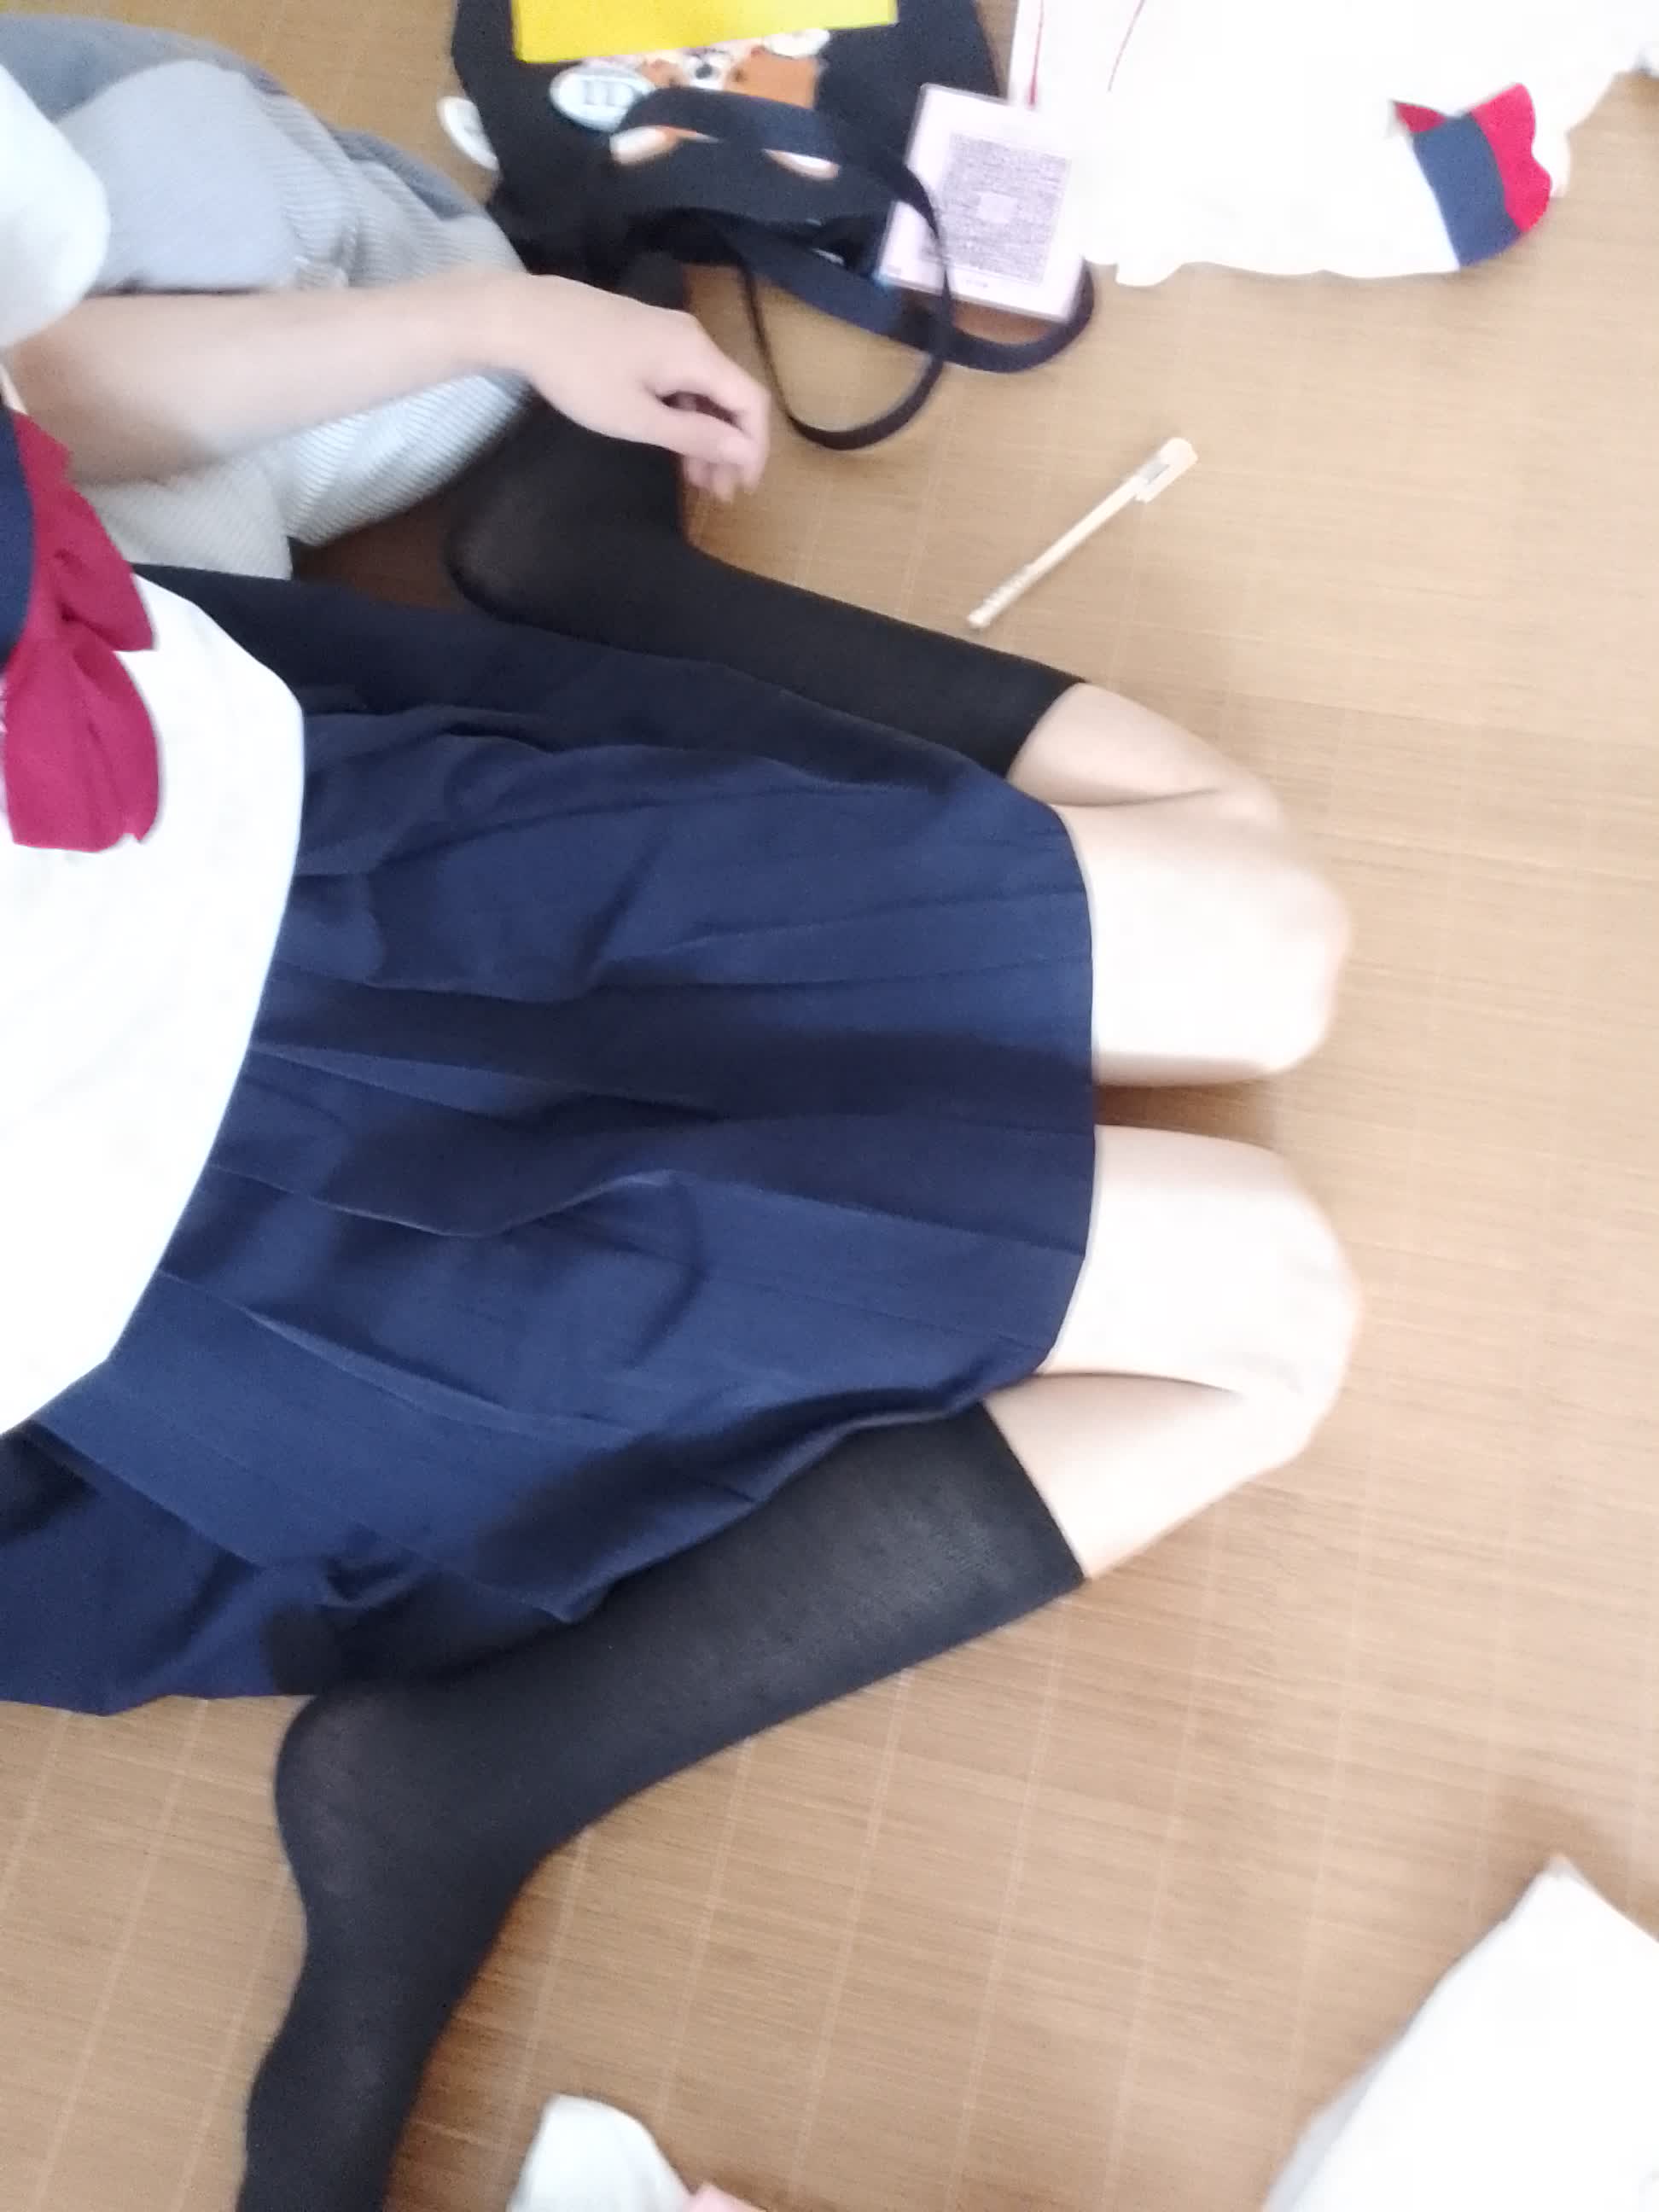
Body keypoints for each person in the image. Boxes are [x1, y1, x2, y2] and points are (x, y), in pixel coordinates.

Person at [0, 54, 1357, 2212]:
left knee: (1275, 940)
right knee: (1268, 1309)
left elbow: (40, 393)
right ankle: (470, 1778)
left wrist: (498, 319)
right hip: (225, 1228)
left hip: (299, 807)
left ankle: (577, 567)